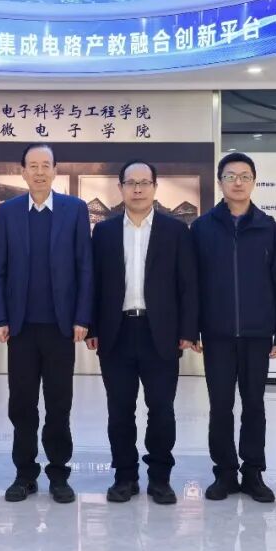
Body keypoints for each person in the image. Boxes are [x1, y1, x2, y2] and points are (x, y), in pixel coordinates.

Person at [87, 161, 199, 505]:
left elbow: (188, 285)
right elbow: (94, 284)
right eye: (131, 183)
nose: (137, 189)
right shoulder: (104, 232)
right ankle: (125, 477)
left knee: (161, 410)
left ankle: (160, 478)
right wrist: (93, 327)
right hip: (116, 332)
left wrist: (188, 330)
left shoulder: (175, 230)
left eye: (144, 182)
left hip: (160, 333)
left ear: (154, 187)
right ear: (120, 187)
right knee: (119, 410)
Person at [0, 143, 94, 504]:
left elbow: (85, 267)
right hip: (20, 328)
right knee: (21, 404)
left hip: (61, 327)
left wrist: (82, 316)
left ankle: (59, 474)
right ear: (22, 171)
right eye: (32, 165)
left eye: (45, 165)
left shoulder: (74, 209)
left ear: (54, 170)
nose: (38, 171)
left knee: (59, 404)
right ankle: (24, 474)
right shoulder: (8, 212)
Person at [190, 151, 276, 503]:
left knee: (254, 405)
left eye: (245, 176)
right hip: (216, 333)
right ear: (220, 182)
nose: (238, 182)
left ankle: (253, 472)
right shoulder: (202, 228)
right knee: (220, 406)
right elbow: (192, 283)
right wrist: (192, 328)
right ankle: (224, 472)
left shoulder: (268, 228)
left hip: (257, 333)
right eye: (230, 176)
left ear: (254, 182)